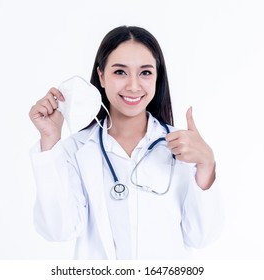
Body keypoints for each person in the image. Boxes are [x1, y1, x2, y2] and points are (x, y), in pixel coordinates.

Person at [29, 25, 223, 260]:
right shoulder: (76, 149)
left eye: (145, 72)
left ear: (157, 76)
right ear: (101, 76)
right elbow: (57, 231)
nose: (133, 85)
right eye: (120, 72)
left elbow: (201, 237)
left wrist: (206, 163)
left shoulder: (183, 147)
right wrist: (50, 139)